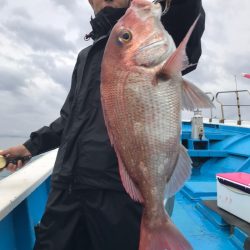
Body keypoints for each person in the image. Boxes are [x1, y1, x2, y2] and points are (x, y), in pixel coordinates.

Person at [0, 0, 206, 249]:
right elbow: (70, 117)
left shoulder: (158, 27)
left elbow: (187, 12)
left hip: (119, 195)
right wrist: (30, 146)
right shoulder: (86, 56)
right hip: (65, 190)